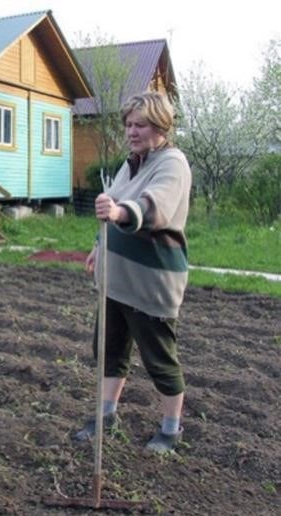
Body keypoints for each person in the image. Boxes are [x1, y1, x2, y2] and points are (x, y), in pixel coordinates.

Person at [75, 92, 192, 454]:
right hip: (116, 278)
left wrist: (120, 214)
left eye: (140, 124)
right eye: (128, 124)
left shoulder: (172, 164)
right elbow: (112, 202)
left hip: (150, 282)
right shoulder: (132, 163)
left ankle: (171, 430)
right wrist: (99, 243)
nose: (132, 131)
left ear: (161, 126)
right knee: (108, 350)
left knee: (159, 358)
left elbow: (153, 208)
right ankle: (106, 416)